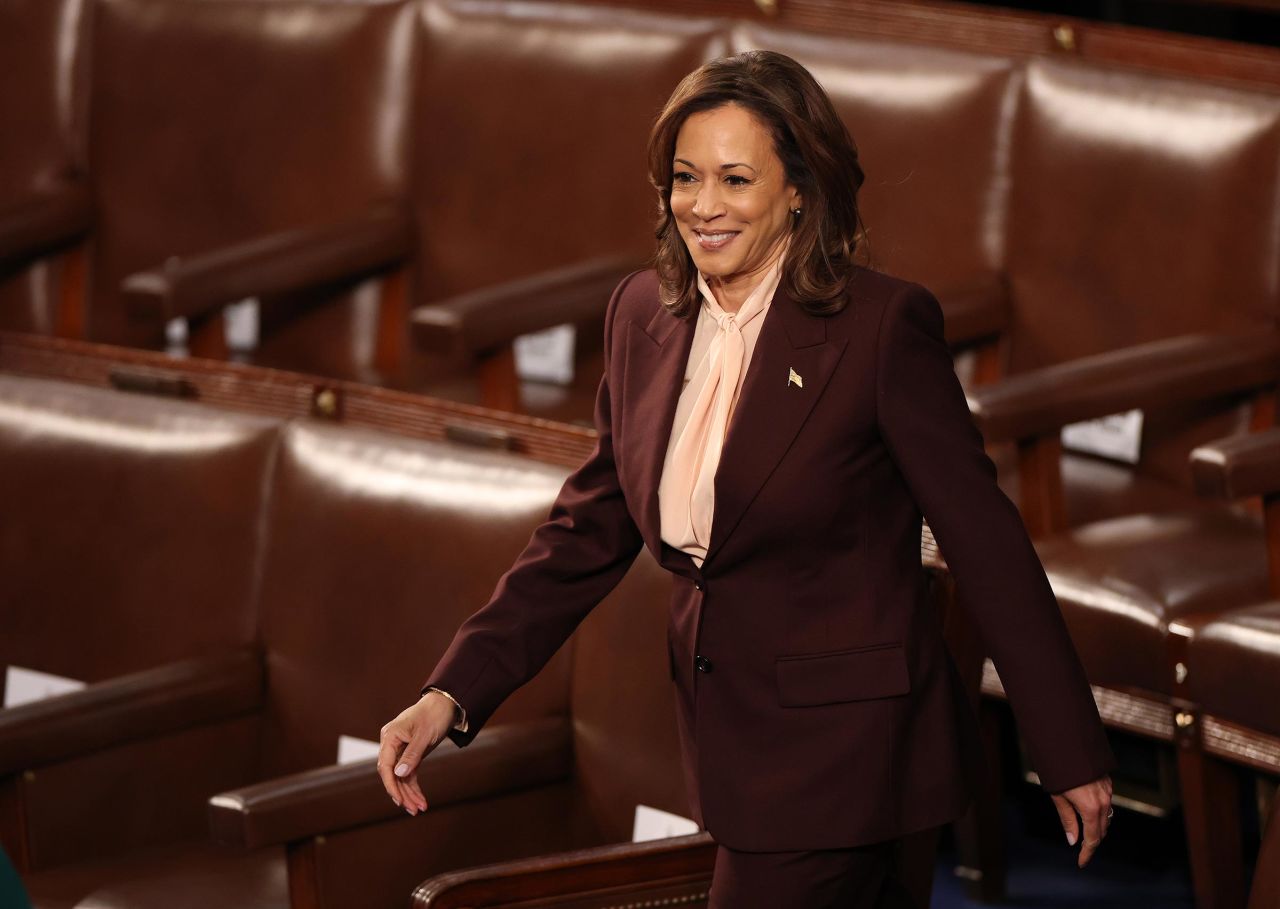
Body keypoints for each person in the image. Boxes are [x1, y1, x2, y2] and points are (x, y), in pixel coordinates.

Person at [378, 50, 1115, 907]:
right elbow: (585, 531)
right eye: (686, 178)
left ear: (799, 188)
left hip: (849, 754)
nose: (704, 205)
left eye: (736, 178)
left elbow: (983, 539)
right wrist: (451, 692)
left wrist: (1067, 747)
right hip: (727, 745)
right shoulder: (640, 315)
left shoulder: (879, 330)